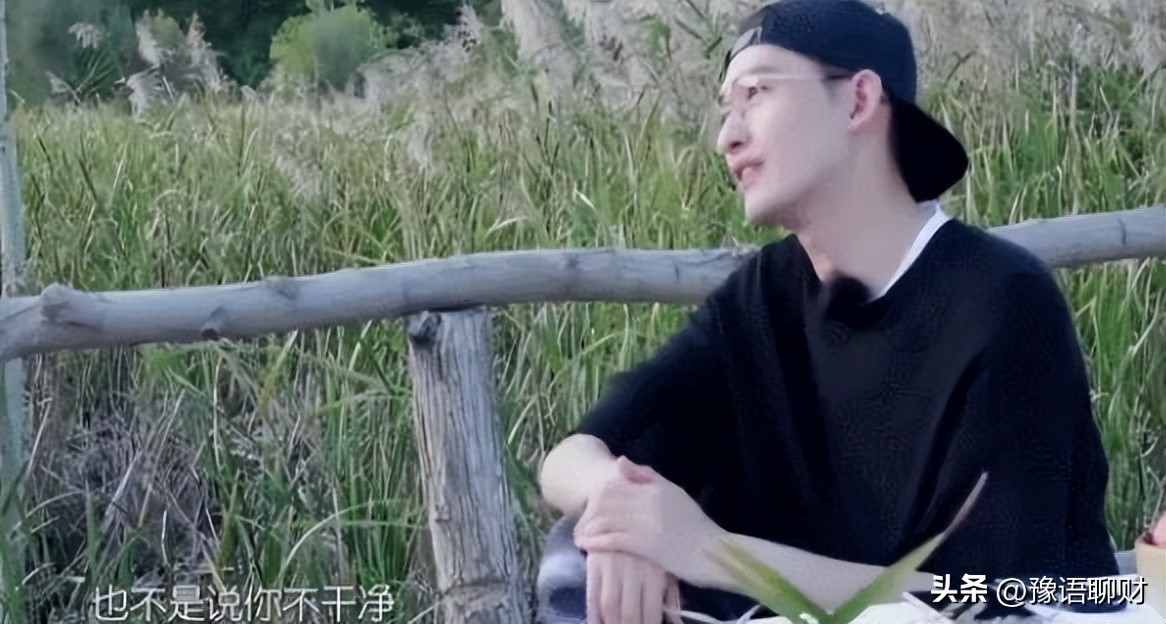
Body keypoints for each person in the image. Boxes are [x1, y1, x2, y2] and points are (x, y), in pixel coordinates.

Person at [536, 0, 1120, 622]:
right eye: (726, 109)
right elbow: (572, 456)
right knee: (576, 556)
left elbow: (1005, 597)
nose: (727, 137)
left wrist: (715, 553)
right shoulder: (760, 296)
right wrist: (620, 514)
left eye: (755, 93)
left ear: (859, 100)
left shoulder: (1003, 301)